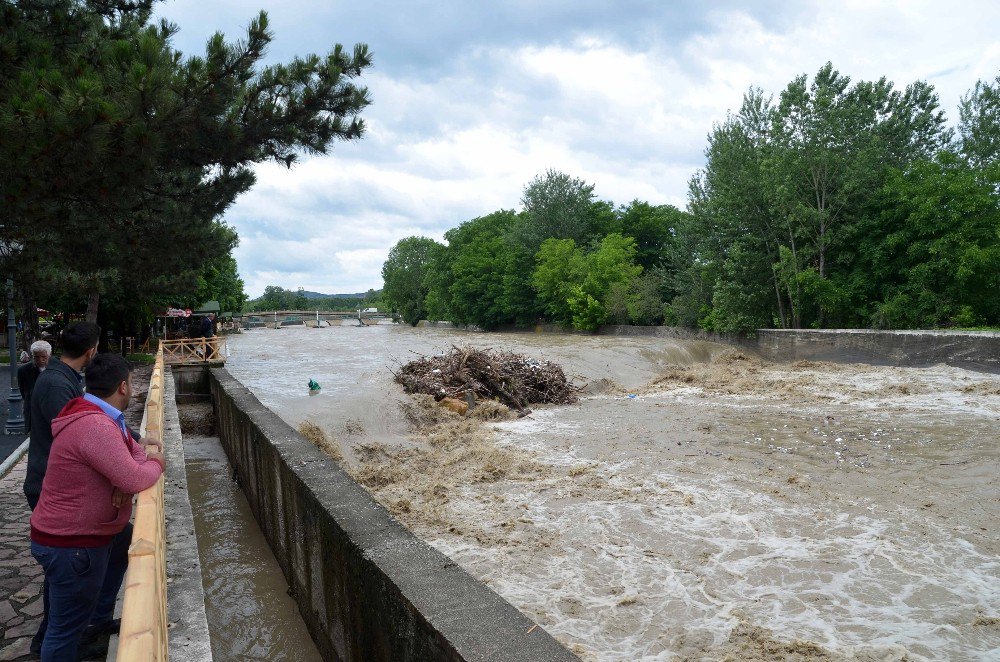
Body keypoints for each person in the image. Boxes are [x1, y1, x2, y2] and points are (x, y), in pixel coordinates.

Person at [23, 322, 158, 655]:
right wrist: (156, 462)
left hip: (73, 535)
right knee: (63, 629)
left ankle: (94, 623)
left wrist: (131, 465)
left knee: (120, 543)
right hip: (72, 542)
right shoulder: (95, 424)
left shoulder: (95, 413)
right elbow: (134, 475)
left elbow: (129, 450)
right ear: (124, 387)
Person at [17, 340, 52, 433]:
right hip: (33, 412)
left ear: (49, 355)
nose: (40, 360)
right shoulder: (23, 371)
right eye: (36, 357)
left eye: (43, 357)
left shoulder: (57, 368)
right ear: (32, 356)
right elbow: (24, 391)